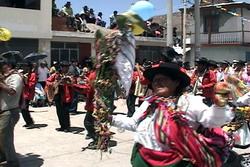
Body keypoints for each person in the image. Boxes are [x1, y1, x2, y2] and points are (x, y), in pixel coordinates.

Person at [110, 62, 235, 167]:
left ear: (176, 82)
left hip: (175, 162)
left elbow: (212, 121)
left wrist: (220, 106)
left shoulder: (188, 102)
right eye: (154, 81)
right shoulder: (149, 102)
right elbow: (134, 124)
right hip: (142, 158)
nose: (156, 83)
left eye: (162, 80)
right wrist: (110, 118)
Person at [0, 58, 23, 167]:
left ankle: (13, 162)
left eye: (2, 65)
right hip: (2, 111)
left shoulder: (16, 77)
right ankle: (3, 156)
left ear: (8, 65)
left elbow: (12, 91)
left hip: (9, 111)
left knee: (5, 138)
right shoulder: (3, 76)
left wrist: (1, 83)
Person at [46, 61, 73, 132]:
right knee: (59, 111)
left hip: (66, 95)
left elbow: (74, 83)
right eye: (65, 67)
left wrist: (68, 82)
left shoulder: (70, 75)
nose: (67, 69)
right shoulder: (55, 75)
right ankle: (62, 126)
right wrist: (54, 83)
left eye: (67, 67)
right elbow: (48, 81)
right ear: (62, 68)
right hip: (58, 95)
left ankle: (67, 127)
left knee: (65, 111)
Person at [21, 62, 37, 128]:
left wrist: (26, 80)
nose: (24, 68)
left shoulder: (33, 74)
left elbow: (32, 85)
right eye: (23, 66)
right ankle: (28, 121)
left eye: (26, 66)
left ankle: (29, 121)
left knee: (24, 108)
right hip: (22, 93)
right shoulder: (22, 73)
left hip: (27, 93)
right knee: (23, 109)